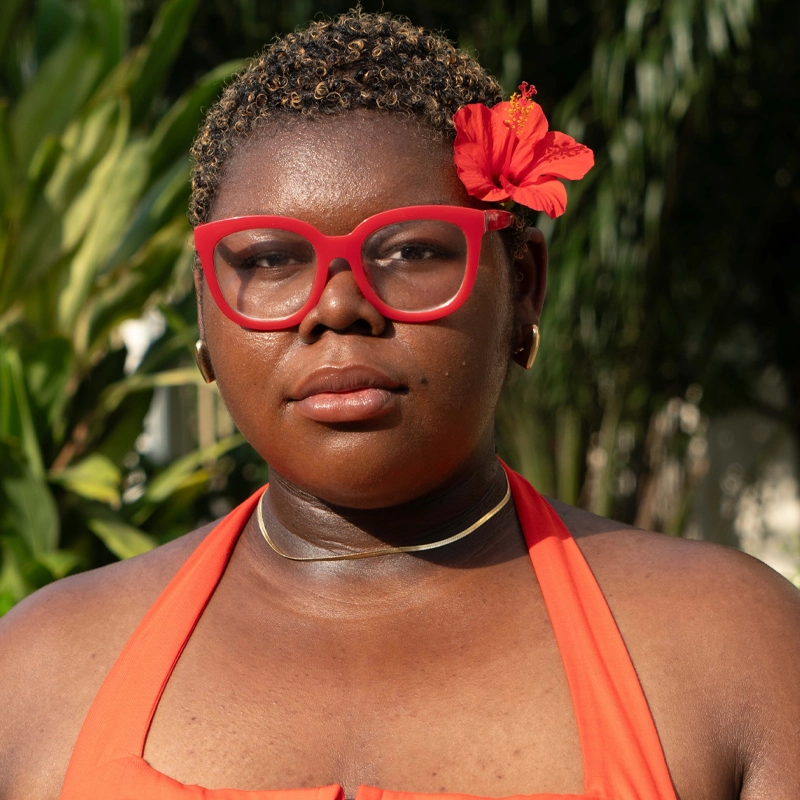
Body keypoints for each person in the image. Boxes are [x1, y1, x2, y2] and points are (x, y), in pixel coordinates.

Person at [0, 10, 798, 800]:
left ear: (523, 287)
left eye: (412, 250)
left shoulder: (731, 649)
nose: (338, 307)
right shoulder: (42, 671)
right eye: (271, 260)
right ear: (205, 311)